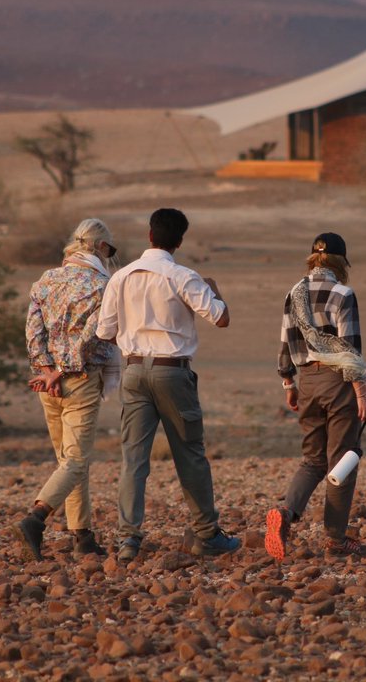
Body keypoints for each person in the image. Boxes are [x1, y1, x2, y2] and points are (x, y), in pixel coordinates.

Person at [95, 208, 240, 560]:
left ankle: (129, 539)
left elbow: (104, 332)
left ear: (149, 235)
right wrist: (215, 290)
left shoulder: (122, 277)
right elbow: (220, 319)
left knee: (134, 459)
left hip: (133, 373)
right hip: (172, 371)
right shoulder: (183, 276)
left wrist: (136, 346)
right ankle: (206, 534)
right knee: (190, 455)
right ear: (179, 241)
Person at [14, 218, 120, 561]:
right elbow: (93, 335)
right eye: (111, 250)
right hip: (80, 379)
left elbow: (33, 333)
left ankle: (82, 536)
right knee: (75, 460)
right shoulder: (103, 286)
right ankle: (36, 518)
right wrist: (62, 370)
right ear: (101, 248)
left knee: (69, 461)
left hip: (47, 383)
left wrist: (46, 370)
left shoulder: (46, 280)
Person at [265, 232, 366, 560]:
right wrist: (361, 393)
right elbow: (349, 350)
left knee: (312, 459)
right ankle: (336, 540)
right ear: (340, 263)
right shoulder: (343, 294)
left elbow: (285, 344)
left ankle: (285, 512)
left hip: (307, 382)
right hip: (338, 383)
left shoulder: (293, 293)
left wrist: (289, 384)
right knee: (342, 460)